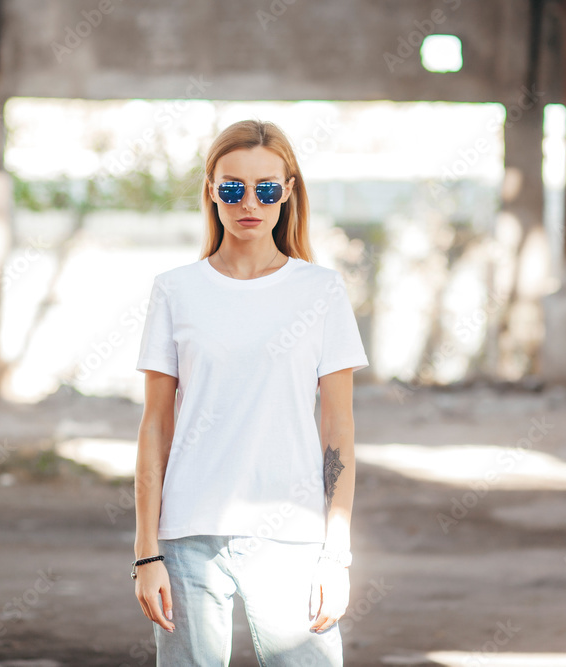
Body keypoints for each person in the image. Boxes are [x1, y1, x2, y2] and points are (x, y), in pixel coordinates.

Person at [132, 119, 369, 666]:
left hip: (293, 537)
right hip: (187, 535)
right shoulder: (175, 290)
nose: (249, 203)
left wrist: (337, 556)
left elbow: (338, 432)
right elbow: (155, 427)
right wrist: (146, 552)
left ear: (287, 192)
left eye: (266, 189)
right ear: (212, 190)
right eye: (232, 187)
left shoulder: (321, 292)